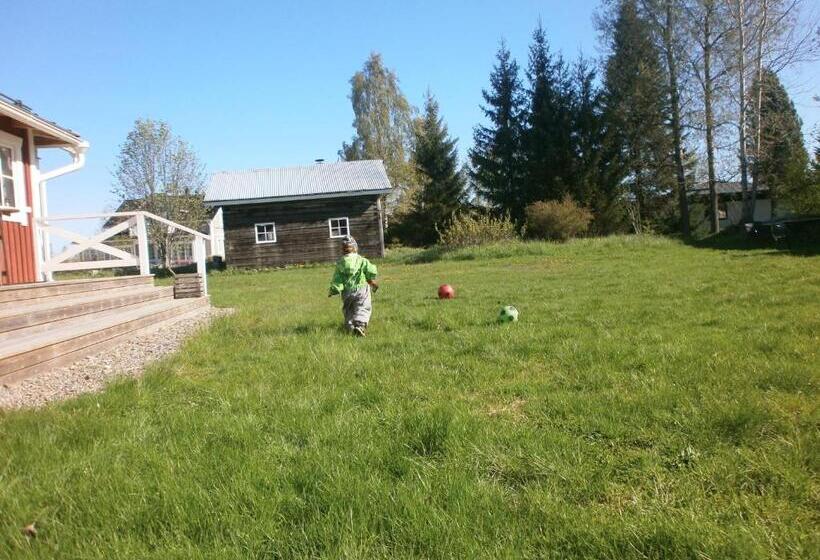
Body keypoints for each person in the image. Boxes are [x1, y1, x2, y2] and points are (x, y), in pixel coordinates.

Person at [328, 235, 379, 336]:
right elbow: (369, 271)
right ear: (355, 248)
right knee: (363, 307)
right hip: (361, 289)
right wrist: (372, 282)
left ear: (343, 250)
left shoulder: (340, 263)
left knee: (349, 309)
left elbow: (337, 279)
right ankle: (359, 325)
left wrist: (333, 290)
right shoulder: (361, 260)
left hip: (347, 292)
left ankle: (350, 327)